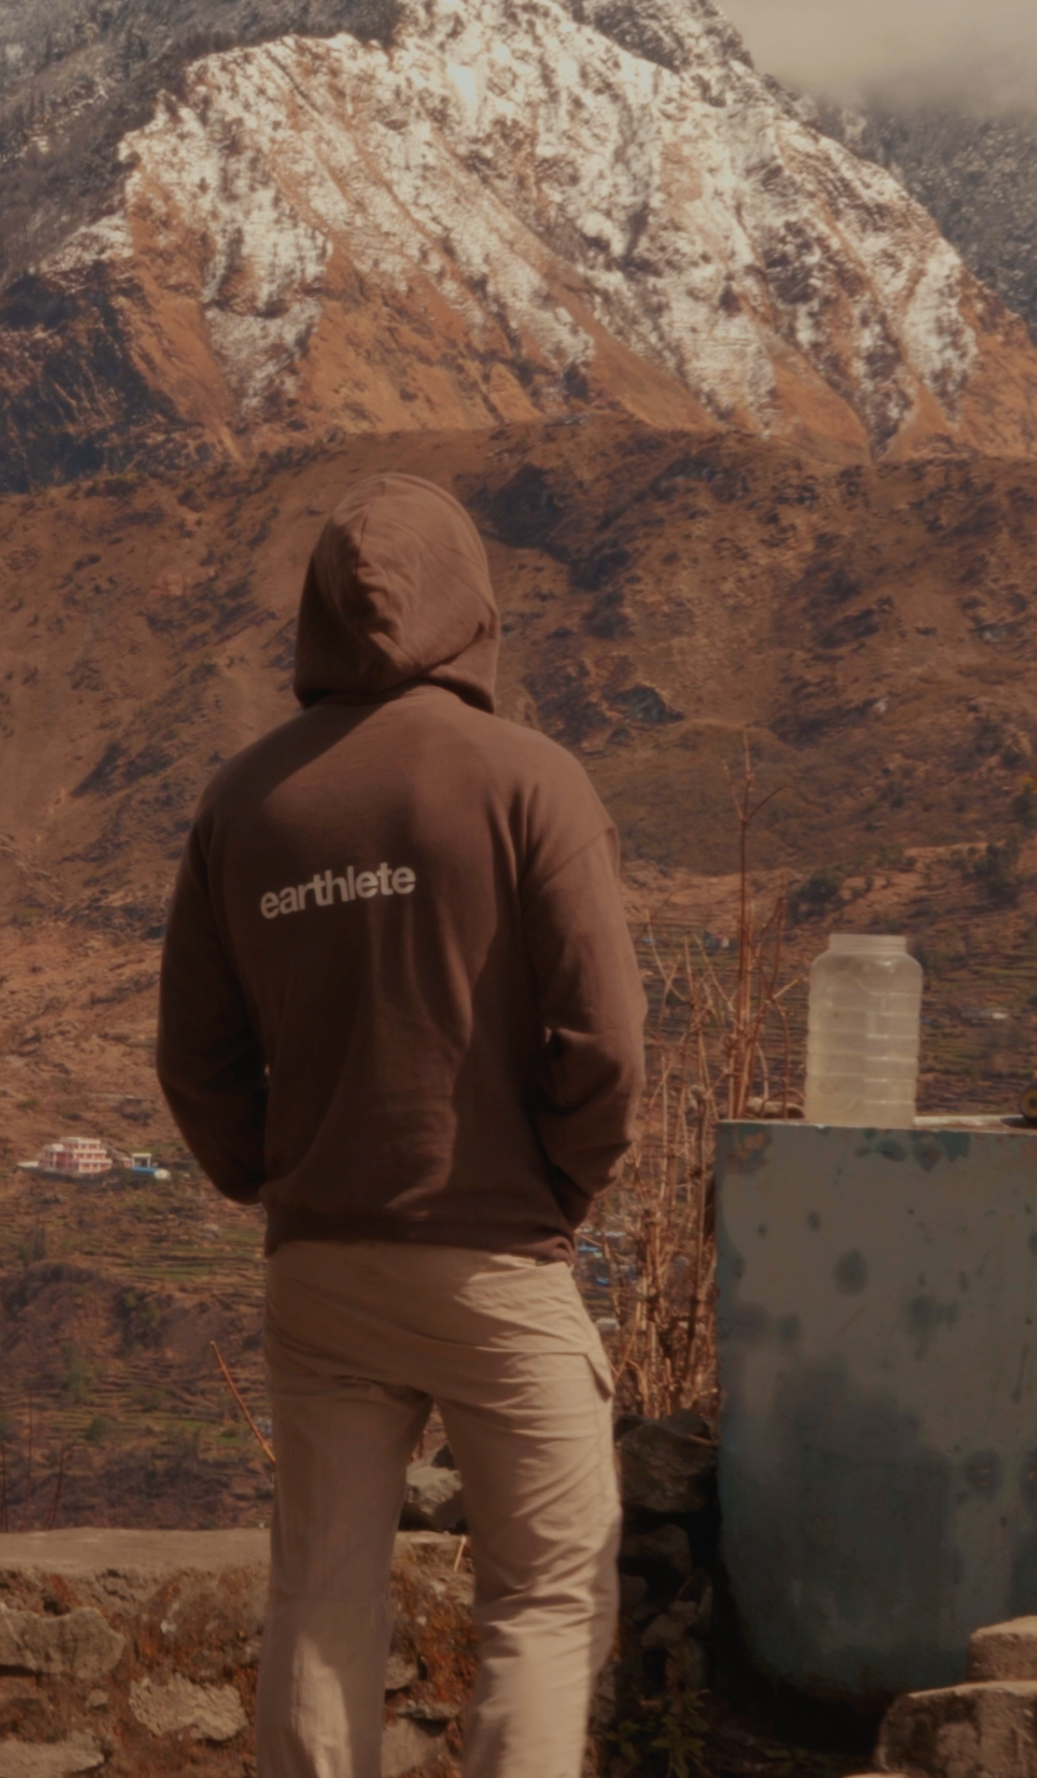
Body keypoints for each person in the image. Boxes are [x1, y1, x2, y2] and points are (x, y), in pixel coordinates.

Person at [156, 473, 646, 1778]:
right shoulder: (530, 780)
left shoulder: (245, 801)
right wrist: (555, 1182)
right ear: (472, 609)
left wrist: (275, 1174)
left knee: (319, 1603)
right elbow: (605, 1038)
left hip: (321, 1266)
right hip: (495, 1254)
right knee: (548, 1593)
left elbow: (195, 1059)